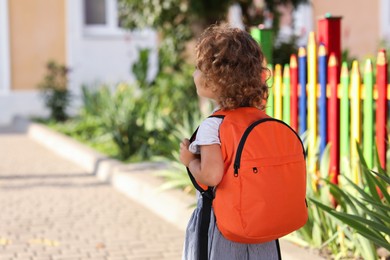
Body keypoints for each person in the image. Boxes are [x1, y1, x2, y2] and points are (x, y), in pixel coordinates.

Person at [179, 24, 281, 260]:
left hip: (224, 230)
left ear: (213, 81)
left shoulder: (213, 126)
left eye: (198, 68)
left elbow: (212, 175)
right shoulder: (260, 119)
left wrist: (190, 162)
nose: (194, 73)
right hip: (261, 229)